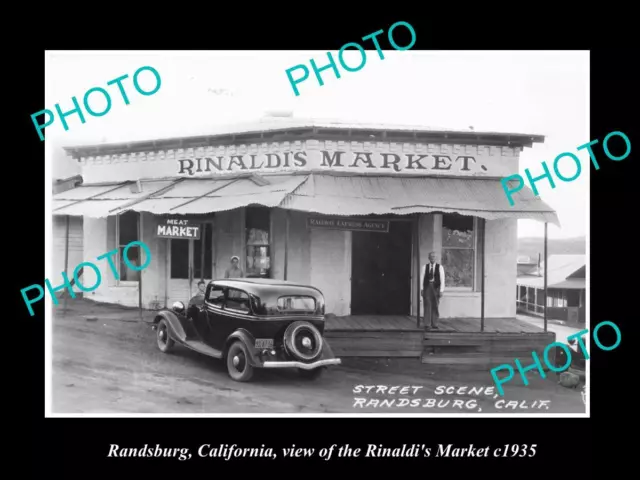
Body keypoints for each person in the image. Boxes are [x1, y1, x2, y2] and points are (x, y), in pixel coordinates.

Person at [420, 252, 445, 329]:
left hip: (436, 287)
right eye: (431, 257)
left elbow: (442, 279)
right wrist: (422, 289)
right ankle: (427, 324)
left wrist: (441, 290)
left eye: (434, 257)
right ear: (429, 258)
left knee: (435, 305)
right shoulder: (425, 267)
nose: (432, 258)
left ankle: (435, 323)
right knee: (427, 304)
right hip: (427, 286)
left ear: (436, 258)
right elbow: (421, 279)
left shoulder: (440, 267)